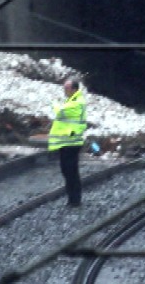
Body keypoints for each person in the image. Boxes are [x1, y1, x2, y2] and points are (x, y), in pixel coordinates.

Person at [48, 77, 87, 207]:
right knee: (67, 171)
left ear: (74, 89)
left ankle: (75, 200)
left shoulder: (77, 102)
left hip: (72, 142)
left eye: (67, 88)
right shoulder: (72, 100)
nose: (64, 90)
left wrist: (54, 103)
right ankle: (72, 199)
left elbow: (60, 112)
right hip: (67, 142)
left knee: (71, 171)